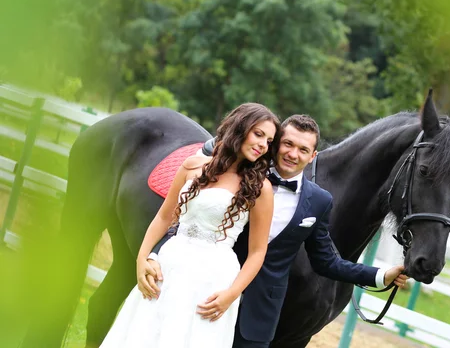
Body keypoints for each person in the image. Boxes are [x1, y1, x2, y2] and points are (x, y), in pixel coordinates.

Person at [140, 114, 408, 347]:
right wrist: (153, 254)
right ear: (276, 144)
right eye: (288, 144)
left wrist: (381, 276)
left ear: (313, 156)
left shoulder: (318, 201)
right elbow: (190, 219)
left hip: (259, 316)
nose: (293, 154)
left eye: (303, 149)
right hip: (207, 293)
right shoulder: (241, 176)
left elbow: (326, 260)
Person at [100, 103, 281, 348]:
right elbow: (164, 217)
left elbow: (258, 252)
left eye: (269, 141)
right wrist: (142, 257)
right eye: (258, 134)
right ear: (239, 128)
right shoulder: (192, 165)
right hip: (170, 264)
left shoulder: (261, 189)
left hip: (213, 278)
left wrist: (231, 294)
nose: (262, 144)